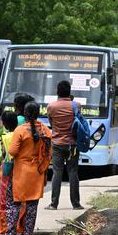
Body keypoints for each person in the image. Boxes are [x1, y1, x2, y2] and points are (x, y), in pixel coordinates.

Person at [0, 101, 53, 235]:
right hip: (38, 173)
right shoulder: (45, 130)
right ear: (38, 114)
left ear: (25, 114)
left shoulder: (20, 130)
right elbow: (49, 153)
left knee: (13, 204)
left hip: (21, 172)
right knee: (32, 206)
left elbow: (13, 152)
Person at [46, 80, 84, 210]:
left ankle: (53, 204)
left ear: (57, 92)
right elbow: (79, 123)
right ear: (69, 92)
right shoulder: (76, 105)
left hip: (56, 143)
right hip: (72, 144)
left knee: (57, 173)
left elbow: (51, 123)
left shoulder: (51, 107)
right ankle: (76, 204)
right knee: (73, 172)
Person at [0, 112, 21, 235]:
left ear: (5, 124)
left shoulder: (6, 137)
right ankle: (18, 227)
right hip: (20, 171)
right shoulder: (20, 135)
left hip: (7, 172)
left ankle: (5, 227)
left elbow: (2, 155)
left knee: (5, 200)